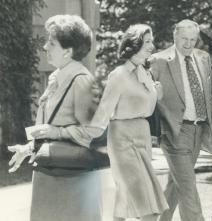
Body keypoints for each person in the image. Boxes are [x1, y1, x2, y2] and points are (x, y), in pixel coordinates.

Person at [67, 24, 168, 221]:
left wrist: (158, 93)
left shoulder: (146, 74)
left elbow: (148, 106)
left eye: (151, 41)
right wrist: (78, 136)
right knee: (147, 205)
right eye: (147, 42)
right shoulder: (119, 75)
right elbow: (103, 114)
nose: (152, 46)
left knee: (124, 200)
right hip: (122, 139)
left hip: (142, 136)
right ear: (134, 44)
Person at [8, 15, 102, 221]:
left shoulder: (82, 81)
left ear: (68, 51)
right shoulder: (56, 78)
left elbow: (95, 131)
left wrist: (56, 132)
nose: (45, 47)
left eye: (51, 43)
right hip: (49, 174)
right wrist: (28, 148)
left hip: (72, 180)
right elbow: (49, 124)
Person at [150, 19, 212, 221]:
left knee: (176, 183)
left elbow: (207, 95)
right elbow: (149, 97)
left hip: (198, 130)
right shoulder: (158, 61)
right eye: (184, 39)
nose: (189, 44)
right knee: (188, 187)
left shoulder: (203, 58)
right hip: (174, 131)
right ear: (175, 37)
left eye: (193, 39)